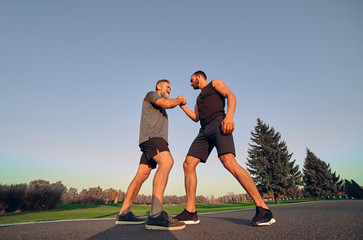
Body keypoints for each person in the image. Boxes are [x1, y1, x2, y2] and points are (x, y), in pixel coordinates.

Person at [175, 71, 276, 226]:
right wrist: (182, 106)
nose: (190, 84)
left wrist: (229, 116)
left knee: (228, 162)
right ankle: (190, 212)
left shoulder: (214, 83)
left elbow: (231, 95)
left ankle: (263, 209)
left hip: (218, 122)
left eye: (191, 80)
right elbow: (196, 118)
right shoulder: (198, 100)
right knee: (188, 164)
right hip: (204, 130)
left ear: (198, 76)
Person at [116, 79, 186, 230]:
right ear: (158, 87)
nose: (170, 89)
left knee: (141, 175)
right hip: (153, 138)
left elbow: (167, 104)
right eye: (167, 86)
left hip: (151, 141)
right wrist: (179, 100)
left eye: (171, 88)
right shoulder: (152, 95)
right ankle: (155, 214)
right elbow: (167, 103)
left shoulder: (161, 108)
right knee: (167, 162)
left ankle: (124, 213)